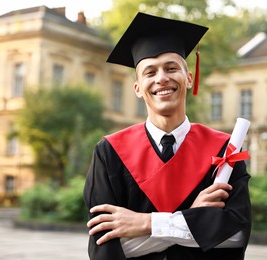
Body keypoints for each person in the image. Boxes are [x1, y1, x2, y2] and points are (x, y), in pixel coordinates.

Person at [83, 12, 252, 260]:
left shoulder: (225, 149)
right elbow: (105, 246)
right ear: (138, 88)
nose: (162, 78)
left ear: (189, 78)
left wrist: (147, 223)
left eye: (171, 68)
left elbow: (236, 235)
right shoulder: (109, 152)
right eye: (150, 72)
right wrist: (194, 222)